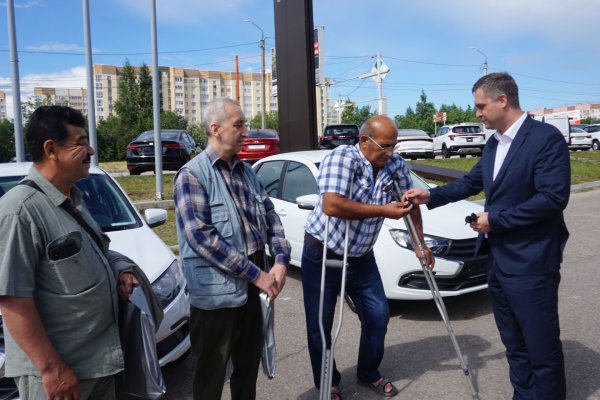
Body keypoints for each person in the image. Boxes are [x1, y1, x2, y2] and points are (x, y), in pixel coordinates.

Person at [405, 72, 570, 400]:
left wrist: (495, 220)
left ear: (502, 100)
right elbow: (470, 182)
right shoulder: (495, 143)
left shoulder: (545, 138)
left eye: (481, 106)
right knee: (514, 344)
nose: (477, 113)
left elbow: (553, 199)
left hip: (532, 262)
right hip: (497, 261)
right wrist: (430, 197)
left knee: (541, 348)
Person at [0, 105, 138, 400]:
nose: (90, 150)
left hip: (96, 364)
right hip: (57, 376)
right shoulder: (19, 210)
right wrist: (52, 369)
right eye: (81, 143)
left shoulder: (72, 199)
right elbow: (13, 299)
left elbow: (98, 253)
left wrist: (121, 270)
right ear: (51, 149)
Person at [302, 115, 435, 400]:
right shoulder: (342, 159)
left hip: (361, 256)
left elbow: (410, 204)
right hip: (323, 252)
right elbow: (332, 204)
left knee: (378, 317)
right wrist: (383, 211)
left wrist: (420, 244)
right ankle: (329, 382)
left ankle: (368, 372)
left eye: (394, 146)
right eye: (385, 146)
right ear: (364, 141)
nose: (390, 153)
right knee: (320, 326)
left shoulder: (395, 164)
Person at [173, 97, 290, 400]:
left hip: (253, 287)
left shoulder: (246, 171)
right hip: (215, 296)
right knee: (211, 377)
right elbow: (201, 238)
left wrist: (279, 260)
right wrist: (257, 274)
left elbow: (271, 215)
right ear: (215, 129)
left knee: (248, 369)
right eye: (238, 125)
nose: (246, 131)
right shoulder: (192, 175)